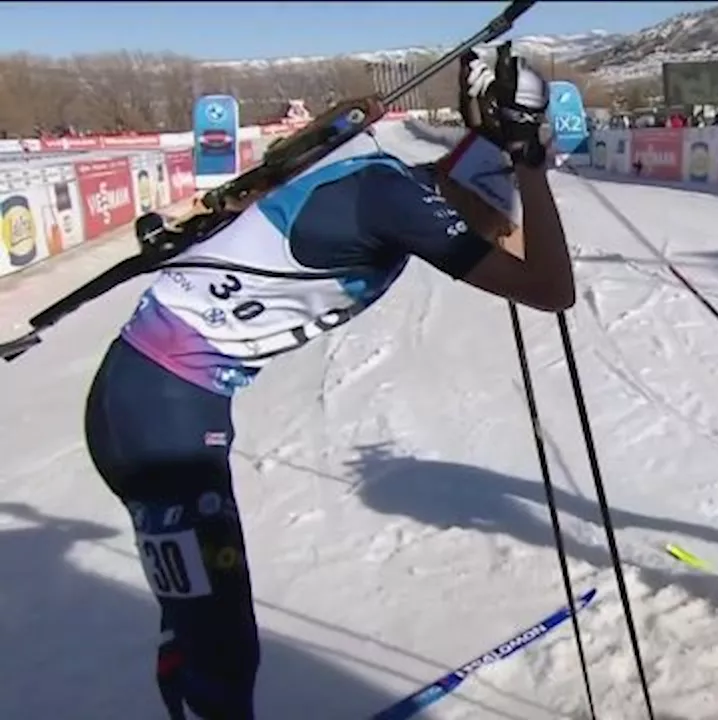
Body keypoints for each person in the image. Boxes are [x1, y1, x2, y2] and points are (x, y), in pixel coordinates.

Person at [82, 51, 568, 719]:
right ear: (465, 195)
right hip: (160, 413)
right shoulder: (393, 200)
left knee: (200, 625)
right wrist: (532, 170)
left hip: (143, 397)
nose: (491, 243)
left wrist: (504, 145)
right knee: (222, 650)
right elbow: (549, 288)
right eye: (493, 227)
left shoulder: (381, 187)